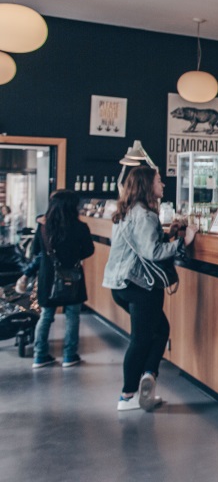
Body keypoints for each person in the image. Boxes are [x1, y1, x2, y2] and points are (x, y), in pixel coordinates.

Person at [102, 166, 197, 412]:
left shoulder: (125, 212)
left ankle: (147, 381)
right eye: (158, 180)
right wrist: (182, 242)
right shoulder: (145, 215)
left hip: (120, 284)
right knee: (143, 338)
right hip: (141, 285)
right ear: (147, 185)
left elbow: (144, 245)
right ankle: (128, 394)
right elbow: (152, 253)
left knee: (156, 331)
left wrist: (170, 235)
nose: (163, 184)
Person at [19, 190, 95, 369]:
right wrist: (73, 257)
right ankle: (69, 356)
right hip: (73, 276)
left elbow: (37, 251)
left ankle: (40, 356)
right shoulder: (80, 227)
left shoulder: (44, 227)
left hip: (48, 277)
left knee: (45, 316)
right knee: (72, 315)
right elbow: (89, 250)